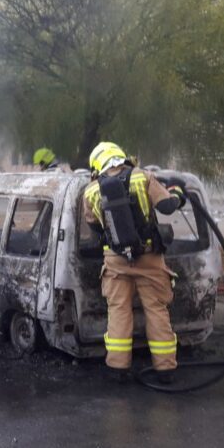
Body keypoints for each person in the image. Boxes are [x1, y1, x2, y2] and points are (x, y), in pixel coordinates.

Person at [82, 142, 187, 384]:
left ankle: (118, 368)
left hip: (116, 260)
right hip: (149, 257)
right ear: (122, 157)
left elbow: (95, 227)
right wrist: (179, 194)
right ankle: (165, 369)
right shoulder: (143, 177)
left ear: (97, 164)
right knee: (156, 310)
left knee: (118, 311)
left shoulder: (91, 191)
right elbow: (167, 206)